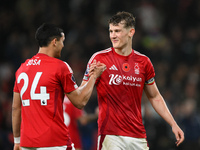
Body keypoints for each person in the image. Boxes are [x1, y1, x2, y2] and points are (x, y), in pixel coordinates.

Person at [81, 11, 184, 150]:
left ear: (131, 32)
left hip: (138, 135)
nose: (113, 35)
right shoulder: (99, 59)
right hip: (110, 135)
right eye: (111, 31)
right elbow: (82, 93)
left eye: (117, 31)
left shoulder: (144, 62)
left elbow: (154, 96)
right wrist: (93, 78)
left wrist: (173, 124)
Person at [12, 23, 106, 150]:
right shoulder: (59, 66)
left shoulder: (22, 69)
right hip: (54, 142)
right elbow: (80, 102)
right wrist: (94, 77)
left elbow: (16, 108)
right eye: (62, 41)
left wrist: (17, 141)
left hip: (27, 143)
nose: (63, 46)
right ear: (55, 42)